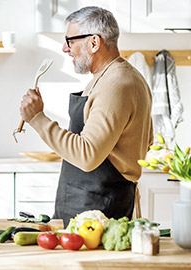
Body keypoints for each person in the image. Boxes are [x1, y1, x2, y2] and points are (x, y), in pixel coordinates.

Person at [19, 6, 153, 227]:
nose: (65, 48)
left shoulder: (117, 84)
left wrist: (37, 118)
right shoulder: (112, 77)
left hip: (97, 209)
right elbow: (144, 142)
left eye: (70, 41)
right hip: (87, 203)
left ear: (94, 42)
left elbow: (88, 154)